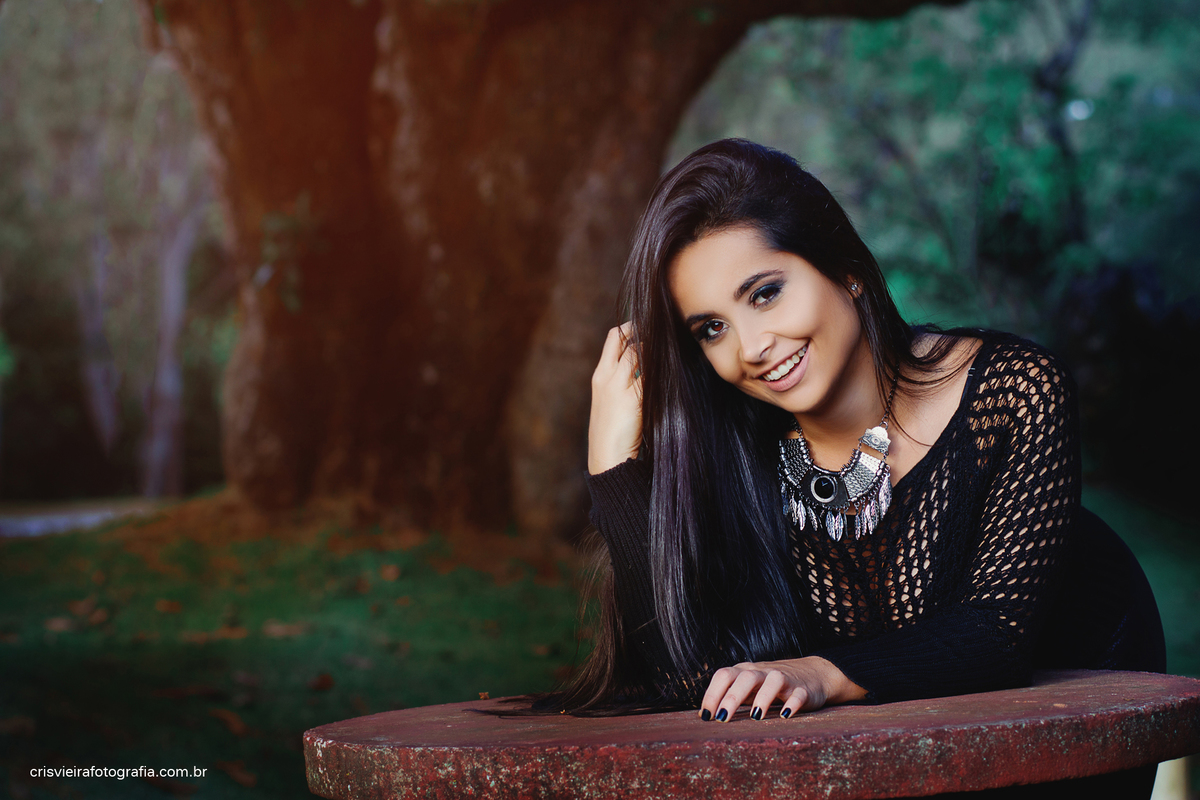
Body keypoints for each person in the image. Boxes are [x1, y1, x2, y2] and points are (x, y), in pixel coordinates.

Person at [564, 139, 1165, 796]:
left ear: (844, 267)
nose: (751, 348)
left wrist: (819, 673)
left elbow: (994, 634)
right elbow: (691, 680)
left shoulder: (1013, 391)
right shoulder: (738, 456)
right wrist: (612, 468)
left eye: (764, 294)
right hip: (906, 754)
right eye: (712, 328)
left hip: (1075, 722)